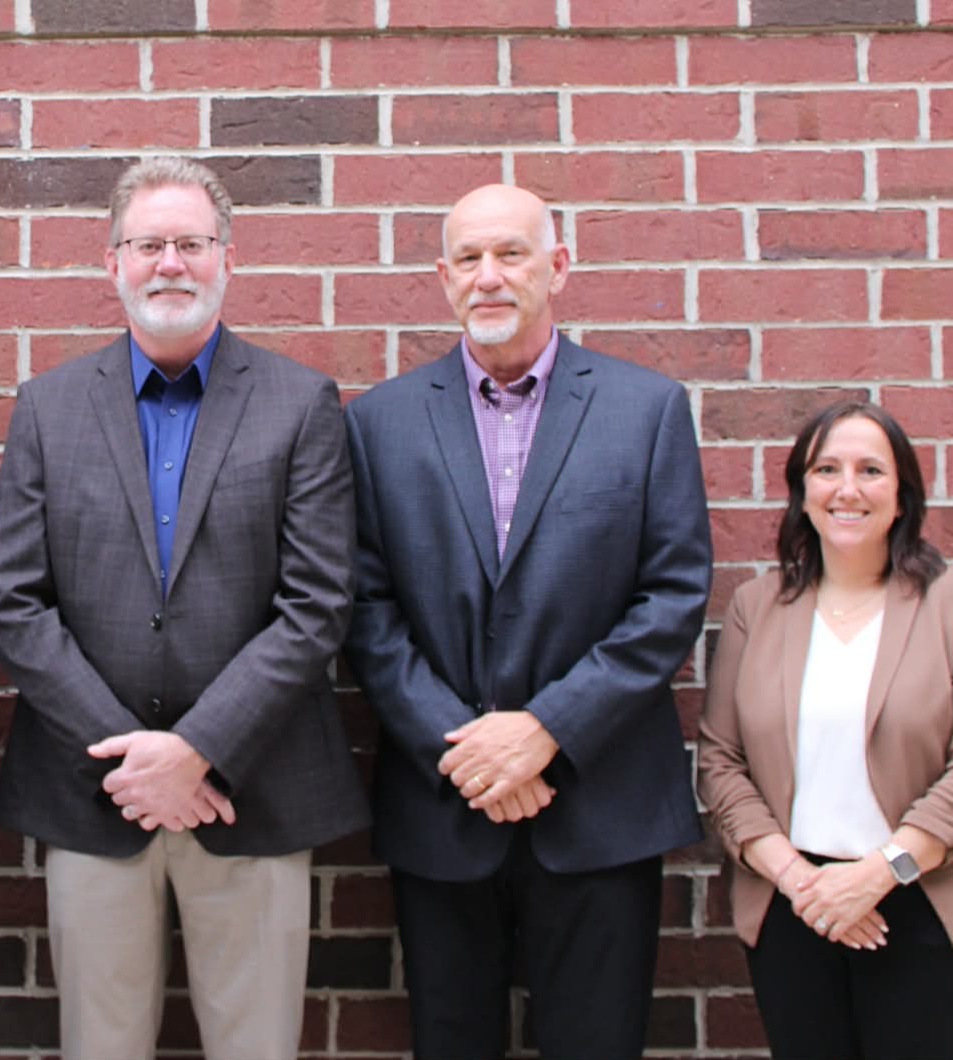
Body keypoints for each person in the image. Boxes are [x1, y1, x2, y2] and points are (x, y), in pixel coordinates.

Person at [0, 155, 368, 1060]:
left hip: (252, 793)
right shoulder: (48, 407)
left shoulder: (299, 402)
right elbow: (17, 604)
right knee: (100, 1046)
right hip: (95, 792)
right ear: (111, 262)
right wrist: (135, 759)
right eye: (148, 244)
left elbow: (316, 605)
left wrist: (196, 753)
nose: (170, 264)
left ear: (227, 260)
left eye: (191, 244)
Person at [341, 183, 713, 1059]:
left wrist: (546, 730)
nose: (490, 277)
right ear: (442, 277)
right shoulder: (378, 423)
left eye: (511, 253)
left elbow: (672, 597)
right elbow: (362, 607)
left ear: (559, 266)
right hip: (445, 804)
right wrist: (466, 747)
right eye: (468, 259)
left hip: (601, 803)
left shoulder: (645, 410)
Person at [698, 400, 953, 1059]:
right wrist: (801, 884)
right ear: (803, 492)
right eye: (827, 469)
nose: (847, 489)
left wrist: (877, 875)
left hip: (924, 904)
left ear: (902, 495)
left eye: (871, 470)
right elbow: (721, 763)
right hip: (795, 912)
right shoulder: (757, 608)